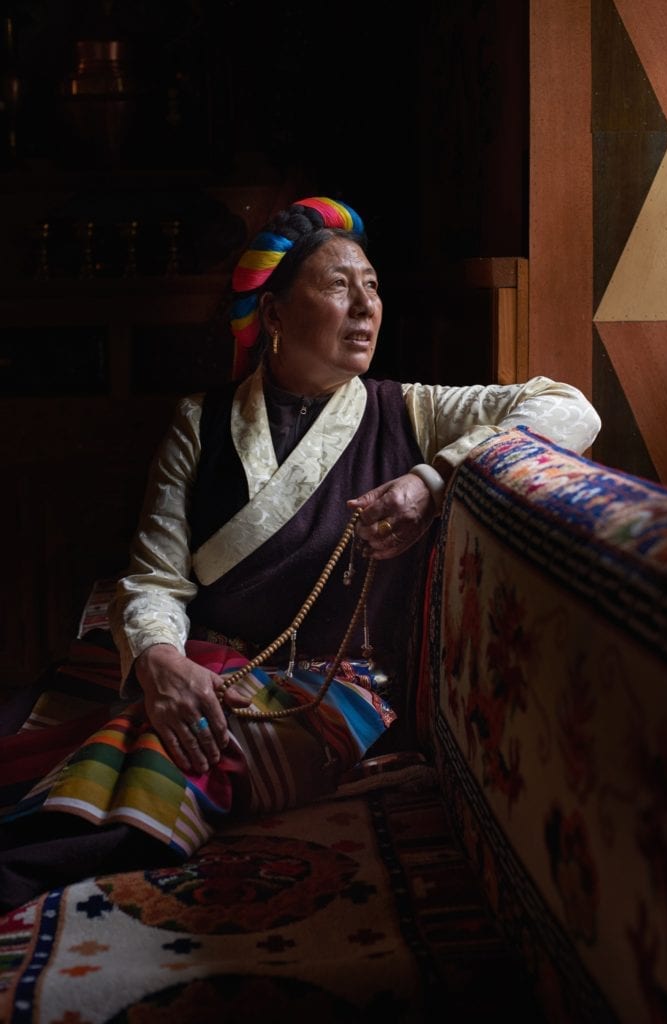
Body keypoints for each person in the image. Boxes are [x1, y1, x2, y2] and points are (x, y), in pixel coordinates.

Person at [0, 195, 601, 911]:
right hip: (199, 656)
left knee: (162, 758)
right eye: (340, 284)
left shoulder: (409, 410)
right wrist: (160, 659)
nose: (365, 305)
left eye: (373, 286)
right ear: (276, 315)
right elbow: (156, 576)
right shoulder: (202, 420)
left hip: (329, 686)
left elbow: (571, 409)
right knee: (29, 727)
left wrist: (430, 480)